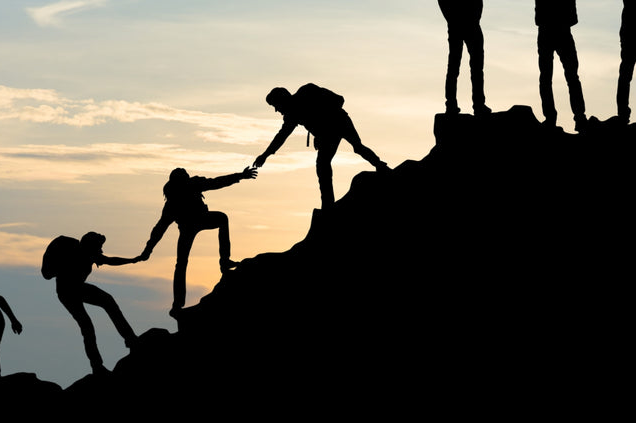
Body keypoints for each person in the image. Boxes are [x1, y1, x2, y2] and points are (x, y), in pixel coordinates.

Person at [135, 167, 256, 316]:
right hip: (189, 226)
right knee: (181, 263)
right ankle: (178, 303)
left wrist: (240, 176)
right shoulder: (173, 201)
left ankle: (224, 262)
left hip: (198, 220)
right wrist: (147, 250)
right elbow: (159, 229)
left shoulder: (190, 186)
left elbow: (216, 182)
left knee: (182, 262)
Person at [253, 84, 390, 208]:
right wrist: (265, 155)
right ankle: (328, 204)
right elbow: (281, 137)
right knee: (323, 165)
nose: (277, 110)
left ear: (283, 100)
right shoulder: (291, 116)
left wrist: (322, 129)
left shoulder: (307, 91)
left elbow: (339, 99)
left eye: (276, 105)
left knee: (357, 148)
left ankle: (381, 166)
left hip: (340, 123)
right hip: (326, 135)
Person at [520, 0, 589, 131]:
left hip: (551, 31)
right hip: (558, 31)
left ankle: (558, 118)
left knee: (550, 77)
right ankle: (575, 117)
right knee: (568, 76)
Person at [437, 0, 509, 115]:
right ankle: (463, 104)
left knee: (463, 66)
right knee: (467, 66)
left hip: (463, 25)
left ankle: (463, 104)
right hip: (465, 25)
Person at [48, 232, 138, 374]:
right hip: (67, 292)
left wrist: (134, 260)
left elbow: (110, 260)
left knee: (107, 302)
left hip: (78, 288)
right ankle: (97, 365)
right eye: (99, 247)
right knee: (87, 326)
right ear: (91, 245)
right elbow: (48, 273)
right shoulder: (75, 252)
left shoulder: (90, 253)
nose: (101, 250)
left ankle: (130, 339)